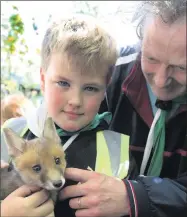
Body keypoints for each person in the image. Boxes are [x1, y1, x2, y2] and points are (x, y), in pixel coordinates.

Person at [58, 1, 187, 217]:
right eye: (151, 58)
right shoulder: (105, 76)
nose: (162, 80)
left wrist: (135, 197)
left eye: (182, 67)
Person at [1, 15, 138, 217]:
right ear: (42, 79)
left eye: (90, 88)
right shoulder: (10, 135)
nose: (75, 100)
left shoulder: (117, 153)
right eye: (63, 83)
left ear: (105, 89)